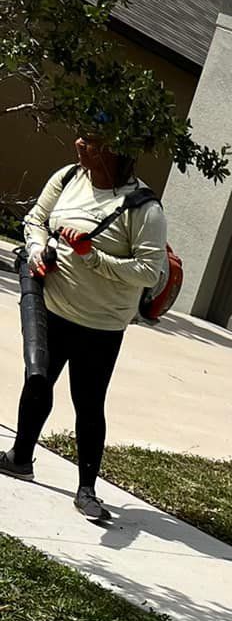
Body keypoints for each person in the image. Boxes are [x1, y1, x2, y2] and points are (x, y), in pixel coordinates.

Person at [0, 131, 168, 525]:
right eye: (82, 136)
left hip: (101, 323)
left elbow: (149, 271)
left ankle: (87, 489)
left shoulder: (144, 208)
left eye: (91, 141)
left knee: (89, 403)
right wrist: (38, 249)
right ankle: (20, 457)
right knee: (37, 381)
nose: (79, 144)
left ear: (116, 149)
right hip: (52, 305)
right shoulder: (67, 178)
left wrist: (91, 256)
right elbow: (36, 220)